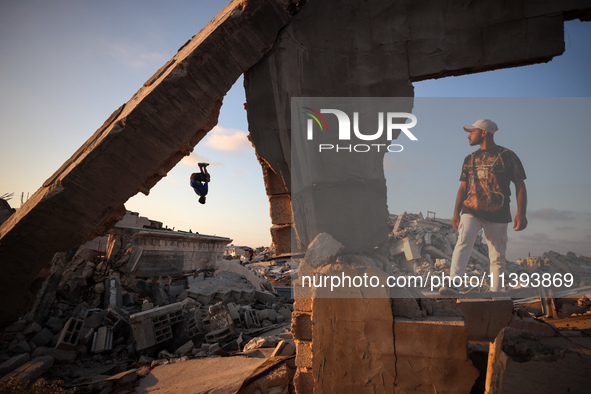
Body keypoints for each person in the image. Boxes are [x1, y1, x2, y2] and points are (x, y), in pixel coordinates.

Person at [440, 119, 528, 295]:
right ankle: (454, 282)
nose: (468, 135)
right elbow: (463, 188)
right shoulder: (469, 159)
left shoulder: (508, 156)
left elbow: (520, 185)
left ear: (484, 132)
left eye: (472, 132)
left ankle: (495, 292)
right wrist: (456, 213)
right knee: (463, 241)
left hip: (498, 212)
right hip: (471, 210)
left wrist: (521, 213)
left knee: (497, 255)